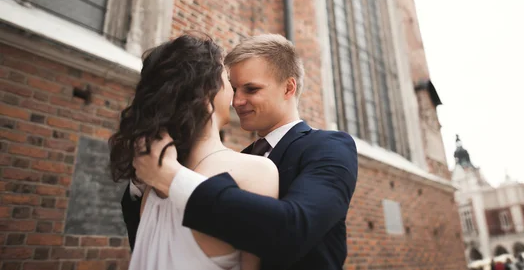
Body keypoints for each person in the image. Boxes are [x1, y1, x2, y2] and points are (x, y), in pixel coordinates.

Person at [121, 34, 359, 270]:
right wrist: (142, 183)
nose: (237, 101)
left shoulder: (330, 146)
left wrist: (171, 178)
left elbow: (295, 229)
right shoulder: (232, 159)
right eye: (233, 88)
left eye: (251, 89)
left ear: (288, 88)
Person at [110, 35, 279, 270]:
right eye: (227, 78)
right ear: (206, 92)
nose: (235, 93)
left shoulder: (150, 187)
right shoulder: (254, 172)